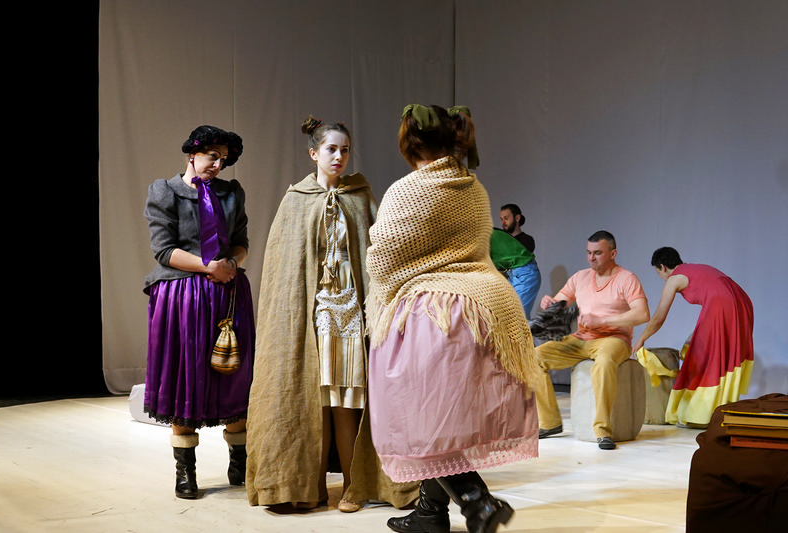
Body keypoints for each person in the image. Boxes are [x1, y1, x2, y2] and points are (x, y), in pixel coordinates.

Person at [367, 104, 544, 533]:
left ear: (408, 143)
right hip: (487, 308)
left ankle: (476, 501)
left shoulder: (408, 190)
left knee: (420, 418)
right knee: (445, 423)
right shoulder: (474, 188)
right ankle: (430, 513)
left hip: (436, 313)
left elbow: (384, 257)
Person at [245, 116, 417, 513]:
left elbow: (378, 255)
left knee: (347, 401)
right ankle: (308, 486)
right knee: (314, 400)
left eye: (345, 150)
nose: (339, 156)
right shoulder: (296, 200)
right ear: (314, 153)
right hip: (312, 314)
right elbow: (283, 270)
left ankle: (356, 485)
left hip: (351, 312)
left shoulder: (360, 197)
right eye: (331, 149)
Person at [143, 125, 255, 499]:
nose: (218, 164)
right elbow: (164, 250)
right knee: (184, 378)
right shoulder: (164, 192)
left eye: (223, 158)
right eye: (211, 156)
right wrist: (209, 267)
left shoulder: (231, 193)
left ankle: (239, 460)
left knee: (233, 374)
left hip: (226, 295)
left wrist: (231, 264)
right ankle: (185, 470)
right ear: (192, 153)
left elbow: (240, 242)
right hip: (182, 297)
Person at [535, 231, 649, 450]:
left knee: (603, 364)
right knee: (534, 357)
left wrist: (603, 320)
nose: (591, 258)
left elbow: (642, 314)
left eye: (597, 253)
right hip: (580, 339)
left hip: (613, 339)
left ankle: (602, 430)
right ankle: (549, 422)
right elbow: (558, 304)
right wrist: (549, 303)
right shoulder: (580, 277)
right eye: (588, 252)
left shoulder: (627, 278)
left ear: (613, 253)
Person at [632, 247, 754, 428]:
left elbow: (659, 317)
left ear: (662, 267)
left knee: (705, 358)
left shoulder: (674, 279)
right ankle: (718, 411)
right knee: (716, 353)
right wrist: (693, 335)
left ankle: (699, 414)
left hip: (723, 304)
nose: (661, 277)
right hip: (741, 302)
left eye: (658, 272)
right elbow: (716, 293)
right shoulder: (695, 269)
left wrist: (641, 339)